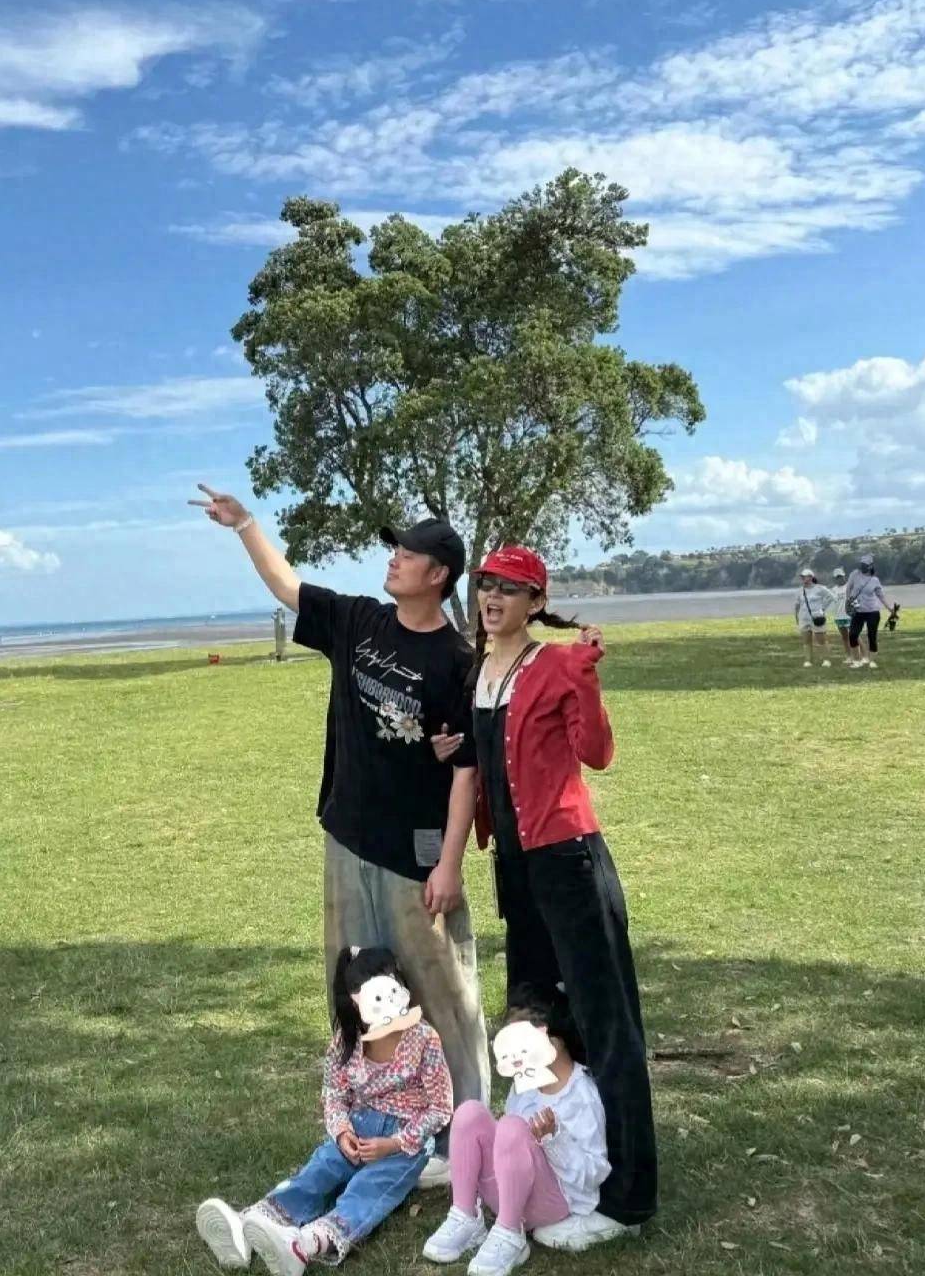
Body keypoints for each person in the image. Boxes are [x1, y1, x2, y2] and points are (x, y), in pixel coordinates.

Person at [190, 486, 491, 1174]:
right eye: (395, 549)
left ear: (438, 574)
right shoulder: (358, 620)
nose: (394, 559)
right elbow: (287, 586)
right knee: (359, 985)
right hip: (348, 836)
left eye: (407, 553)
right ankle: (370, 1122)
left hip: (415, 854)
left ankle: (463, 1135)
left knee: (441, 989)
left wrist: (449, 864)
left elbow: (466, 771)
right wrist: (245, 525)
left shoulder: (456, 661)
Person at [431, 544, 656, 1243]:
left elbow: (597, 754)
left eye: (509, 588)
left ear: (536, 601)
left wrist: (586, 679)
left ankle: (626, 1201)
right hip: (518, 869)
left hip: (569, 862)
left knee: (605, 1023)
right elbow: (484, 764)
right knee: (534, 1022)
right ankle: (553, 1169)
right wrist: (451, 751)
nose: (492, 598)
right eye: (485, 586)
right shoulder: (479, 673)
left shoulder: (558, 663)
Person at [196, 946, 453, 1273]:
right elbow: (334, 1094)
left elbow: (441, 1106)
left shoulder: (424, 1038)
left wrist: (394, 1143)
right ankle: (247, 1224)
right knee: (319, 1170)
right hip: (357, 1129)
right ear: (356, 1002)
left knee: (367, 1191)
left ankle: (304, 1245)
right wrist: (342, 1132)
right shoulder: (347, 1041)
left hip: (405, 1145)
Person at [423, 992, 610, 1275]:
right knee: (469, 1113)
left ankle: (511, 1234)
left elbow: (593, 1174)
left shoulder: (581, 1094)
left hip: (554, 1203)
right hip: (510, 1192)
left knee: (511, 1126)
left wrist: (554, 1139)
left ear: (554, 1041)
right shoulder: (524, 1087)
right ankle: (465, 1215)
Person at [845, 554, 893, 670]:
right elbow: (848, 588)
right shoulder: (854, 574)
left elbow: (880, 595)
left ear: (870, 566)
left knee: (872, 635)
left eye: (865, 565)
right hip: (858, 610)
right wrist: (848, 601)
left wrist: (889, 608)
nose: (863, 567)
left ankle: (872, 661)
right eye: (862, 564)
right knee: (853, 635)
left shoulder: (874, 580)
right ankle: (857, 660)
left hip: (872, 611)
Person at [793, 568, 834, 668]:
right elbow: (797, 605)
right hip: (804, 618)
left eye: (805, 577)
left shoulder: (820, 588)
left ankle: (826, 659)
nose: (803, 579)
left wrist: (822, 608)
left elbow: (831, 597)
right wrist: (797, 618)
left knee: (821, 640)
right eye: (802, 577)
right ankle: (808, 660)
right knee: (806, 641)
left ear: (811, 577)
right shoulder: (800, 591)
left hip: (817, 618)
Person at [829, 567, 852, 662]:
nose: (840, 579)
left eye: (841, 576)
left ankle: (861, 656)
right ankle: (849, 656)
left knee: (854, 637)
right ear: (835, 578)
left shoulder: (849, 587)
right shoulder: (833, 590)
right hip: (839, 616)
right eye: (837, 577)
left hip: (849, 616)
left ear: (844, 576)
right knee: (845, 638)